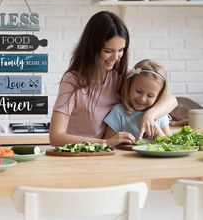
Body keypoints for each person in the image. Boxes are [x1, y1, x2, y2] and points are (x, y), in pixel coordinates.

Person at [49, 11, 177, 147]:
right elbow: (56, 137)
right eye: (108, 51)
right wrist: (105, 142)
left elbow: (171, 100)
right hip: (79, 154)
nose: (116, 57)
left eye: (121, 50)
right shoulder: (73, 81)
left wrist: (150, 115)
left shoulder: (122, 76)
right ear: (91, 48)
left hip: (107, 155)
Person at [104, 59, 170, 143]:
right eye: (139, 91)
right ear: (129, 86)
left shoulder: (160, 115)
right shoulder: (118, 112)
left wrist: (157, 132)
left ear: (158, 96)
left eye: (150, 96)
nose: (142, 99)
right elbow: (108, 142)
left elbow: (170, 145)